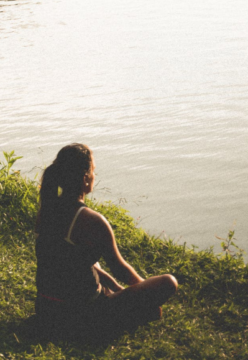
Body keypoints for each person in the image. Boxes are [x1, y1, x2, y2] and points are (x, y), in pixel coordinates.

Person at [34, 143, 178, 341]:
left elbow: (73, 263)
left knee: (90, 259)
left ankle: (119, 302)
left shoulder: (47, 211)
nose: (95, 175)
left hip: (46, 310)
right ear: (85, 178)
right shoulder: (92, 221)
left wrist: (119, 290)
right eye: (93, 171)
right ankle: (126, 314)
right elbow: (121, 270)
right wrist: (144, 294)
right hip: (80, 317)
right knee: (168, 283)